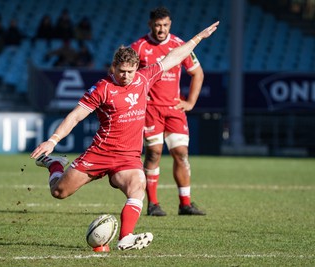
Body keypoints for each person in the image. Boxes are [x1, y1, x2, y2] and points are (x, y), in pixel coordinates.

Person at [30, 21, 219, 250]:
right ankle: (55, 164)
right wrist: (53, 141)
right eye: (121, 71)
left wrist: (198, 38)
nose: (126, 76)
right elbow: (75, 116)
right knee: (59, 192)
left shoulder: (144, 78)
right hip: (100, 153)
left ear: (137, 67)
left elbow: (174, 57)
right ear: (113, 67)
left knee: (137, 186)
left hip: (128, 158)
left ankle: (126, 237)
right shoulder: (102, 88)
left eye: (130, 71)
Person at [130, 6, 206, 216]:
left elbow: (197, 74)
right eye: (157, 25)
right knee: (154, 153)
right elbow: (122, 73)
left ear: (170, 24)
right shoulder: (139, 47)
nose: (161, 29)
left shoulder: (180, 45)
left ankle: (185, 203)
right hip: (150, 110)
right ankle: (153, 204)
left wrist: (190, 102)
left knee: (181, 153)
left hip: (174, 109)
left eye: (165, 25)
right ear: (150, 25)